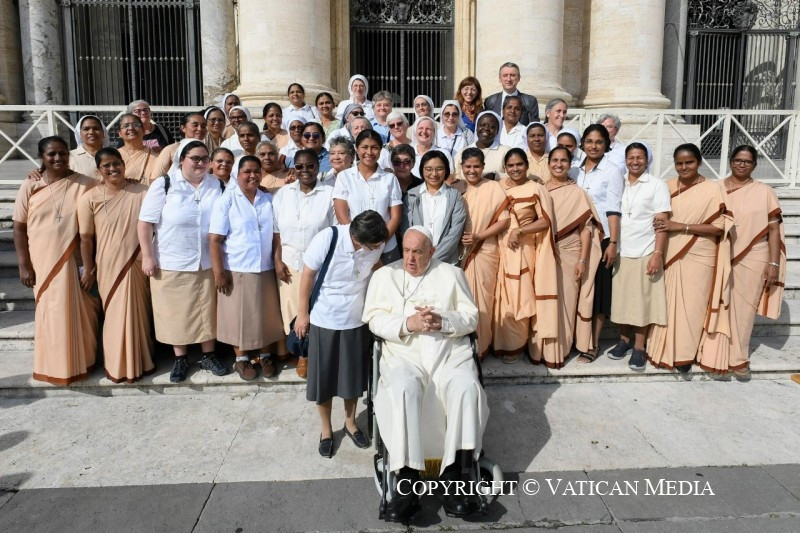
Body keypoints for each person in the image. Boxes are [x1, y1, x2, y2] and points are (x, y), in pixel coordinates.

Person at [362, 226, 488, 521]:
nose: (410, 258)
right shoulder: (385, 276)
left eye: (418, 252)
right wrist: (409, 324)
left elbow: (470, 318)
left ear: (432, 251)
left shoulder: (452, 274)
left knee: (466, 387)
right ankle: (407, 482)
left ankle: (454, 478)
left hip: (449, 353)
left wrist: (443, 320)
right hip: (404, 354)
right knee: (404, 388)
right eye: (406, 251)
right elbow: (374, 320)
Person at [294, 210, 387, 458]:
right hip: (324, 318)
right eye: (372, 246)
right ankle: (326, 430)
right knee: (323, 379)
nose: (375, 249)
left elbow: (378, 268)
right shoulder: (328, 238)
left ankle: (350, 423)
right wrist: (302, 314)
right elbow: (307, 275)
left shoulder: (376, 243)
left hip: (355, 320)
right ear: (357, 239)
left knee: (351, 378)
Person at [138, 139, 228, 382]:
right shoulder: (164, 184)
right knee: (175, 313)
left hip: (208, 261)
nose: (201, 163)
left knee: (208, 311)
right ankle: (180, 358)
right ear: (181, 160)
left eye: (205, 159)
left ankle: (208, 355)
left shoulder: (217, 185)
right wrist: (147, 256)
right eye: (195, 158)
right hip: (172, 260)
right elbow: (145, 223)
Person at [13, 136, 99, 384]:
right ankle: (53, 365)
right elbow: (19, 228)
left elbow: (109, 191)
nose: (58, 158)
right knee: (51, 313)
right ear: (42, 157)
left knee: (82, 313)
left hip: (75, 260)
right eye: (51, 154)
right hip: (42, 261)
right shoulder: (31, 185)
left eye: (62, 153)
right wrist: (24, 265)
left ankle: (83, 362)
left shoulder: (85, 183)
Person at [699, 145, 786, 379]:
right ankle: (711, 354)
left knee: (744, 311)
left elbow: (774, 230)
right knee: (715, 304)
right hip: (719, 254)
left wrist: (773, 263)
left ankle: (738, 358)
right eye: (738, 160)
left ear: (754, 165)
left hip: (754, 256)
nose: (742, 164)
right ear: (730, 161)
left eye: (747, 161)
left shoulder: (765, 191)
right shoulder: (715, 188)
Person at [78, 147, 154, 383]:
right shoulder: (89, 198)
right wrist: (88, 269)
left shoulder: (143, 192)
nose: (113, 169)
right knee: (114, 314)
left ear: (123, 164)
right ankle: (116, 364)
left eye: (116, 163)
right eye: (106, 166)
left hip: (137, 262)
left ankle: (142, 361)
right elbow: (85, 238)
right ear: (99, 170)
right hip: (108, 265)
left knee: (139, 314)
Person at [647, 143, 725, 372]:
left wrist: (681, 226)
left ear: (699, 162)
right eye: (679, 163)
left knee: (692, 308)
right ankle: (660, 349)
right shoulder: (666, 186)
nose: (684, 167)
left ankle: (685, 354)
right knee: (667, 304)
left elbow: (719, 227)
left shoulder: (712, 189)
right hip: (670, 252)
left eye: (689, 162)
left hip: (700, 254)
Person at [209, 155, 285, 381]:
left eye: (256, 171)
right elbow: (215, 240)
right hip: (237, 267)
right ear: (237, 174)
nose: (252, 175)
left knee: (264, 314)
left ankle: (264, 356)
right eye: (247, 171)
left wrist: (277, 260)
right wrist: (219, 272)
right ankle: (241, 359)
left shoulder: (267, 199)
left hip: (264, 267)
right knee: (238, 316)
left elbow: (276, 235)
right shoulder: (227, 200)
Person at [530, 146, 602, 368]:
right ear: (549, 163)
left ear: (570, 165)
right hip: (543, 252)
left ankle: (560, 349)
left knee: (567, 302)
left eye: (563, 161)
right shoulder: (540, 190)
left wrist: (583, 260)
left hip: (570, 252)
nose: (558, 164)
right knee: (543, 301)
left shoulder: (577, 193)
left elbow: (586, 230)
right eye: (555, 160)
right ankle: (542, 349)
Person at [601, 143, 668, 369]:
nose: (635, 162)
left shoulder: (656, 185)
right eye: (630, 157)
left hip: (645, 250)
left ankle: (639, 348)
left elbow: (661, 223)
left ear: (647, 160)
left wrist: (657, 253)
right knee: (622, 301)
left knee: (641, 302)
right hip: (622, 250)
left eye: (640, 158)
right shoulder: (619, 183)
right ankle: (624, 341)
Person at [273, 149, 336, 379]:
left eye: (310, 166)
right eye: (299, 166)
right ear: (294, 168)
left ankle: (312, 354)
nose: (305, 170)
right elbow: (276, 232)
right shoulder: (283, 194)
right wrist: (277, 260)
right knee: (293, 310)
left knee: (315, 310)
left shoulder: (329, 194)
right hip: (290, 262)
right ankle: (301, 352)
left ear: (318, 167)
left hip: (319, 264)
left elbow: (335, 231)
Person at [493, 148, 557, 362]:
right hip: (500, 249)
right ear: (505, 167)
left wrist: (520, 230)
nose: (515, 169)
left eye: (519, 164)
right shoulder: (498, 187)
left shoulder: (536, 188)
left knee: (520, 297)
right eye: (510, 165)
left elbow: (545, 220)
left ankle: (517, 346)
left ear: (527, 166)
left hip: (524, 249)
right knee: (503, 299)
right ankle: (502, 344)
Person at [574, 124, 623, 363]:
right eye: (589, 141)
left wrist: (613, 242)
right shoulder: (574, 170)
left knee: (599, 291)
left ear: (607, 145)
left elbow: (614, 208)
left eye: (599, 142)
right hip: (576, 239)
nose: (593, 146)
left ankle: (592, 344)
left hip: (601, 237)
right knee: (579, 290)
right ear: (582, 143)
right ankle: (577, 339)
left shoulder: (612, 171)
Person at [459, 148, 510, 359]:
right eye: (468, 166)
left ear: (483, 167)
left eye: (476, 166)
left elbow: (504, 221)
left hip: (484, 251)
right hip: (459, 254)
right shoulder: (457, 188)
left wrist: (478, 236)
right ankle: (463, 348)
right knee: (462, 302)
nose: (472, 171)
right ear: (461, 167)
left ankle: (481, 348)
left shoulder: (493, 188)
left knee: (482, 302)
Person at [333, 130, 403, 264]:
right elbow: (342, 216)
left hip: (386, 247)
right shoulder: (345, 177)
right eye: (364, 147)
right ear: (356, 149)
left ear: (381, 150)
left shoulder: (390, 179)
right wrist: (360, 243)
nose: (369, 152)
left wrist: (378, 244)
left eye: (374, 147)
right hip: (356, 247)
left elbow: (395, 217)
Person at [403, 150, 467, 264]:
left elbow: (455, 233)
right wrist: (419, 256)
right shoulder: (411, 196)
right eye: (429, 169)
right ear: (422, 170)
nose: (434, 174)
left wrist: (432, 259)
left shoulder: (455, 196)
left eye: (439, 169)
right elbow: (406, 229)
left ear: (446, 170)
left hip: (447, 262)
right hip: (416, 261)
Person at [149, 111, 208, 182]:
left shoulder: (208, 150)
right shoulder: (171, 149)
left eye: (203, 126)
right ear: (183, 128)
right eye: (195, 125)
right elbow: (155, 179)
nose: (200, 129)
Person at [453, 111, 510, 181]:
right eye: (482, 125)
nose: (486, 128)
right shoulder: (462, 152)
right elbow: (456, 177)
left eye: (492, 126)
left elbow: (514, 175)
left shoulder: (506, 152)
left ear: (497, 131)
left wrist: (496, 176)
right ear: (476, 127)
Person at [116, 113, 157, 182]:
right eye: (125, 126)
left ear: (143, 131)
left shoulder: (154, 155)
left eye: (135, 125)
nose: (131, 128)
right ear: (119, 133)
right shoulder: (114, 156)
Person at [70, 115, 109, 179]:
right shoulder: (70, 157)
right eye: (86, 129)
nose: (91, 132)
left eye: (96, 129)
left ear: (103, 133)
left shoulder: (114, 155)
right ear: (79, 134)